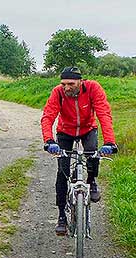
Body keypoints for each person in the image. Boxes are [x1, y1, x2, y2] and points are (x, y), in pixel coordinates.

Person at [41, 66, 117, 235]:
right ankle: (61, 215)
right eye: (63, 84)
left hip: (88, 128)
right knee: (62, 171)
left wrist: (110, 142)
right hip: (65, 131)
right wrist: (49, 140)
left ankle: (92, 180)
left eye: (71, 83)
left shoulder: (92, 88)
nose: (66, 87)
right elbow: (48, 116)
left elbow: (104, 114)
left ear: (80, 81)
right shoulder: (58, 93)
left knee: (93, 154)